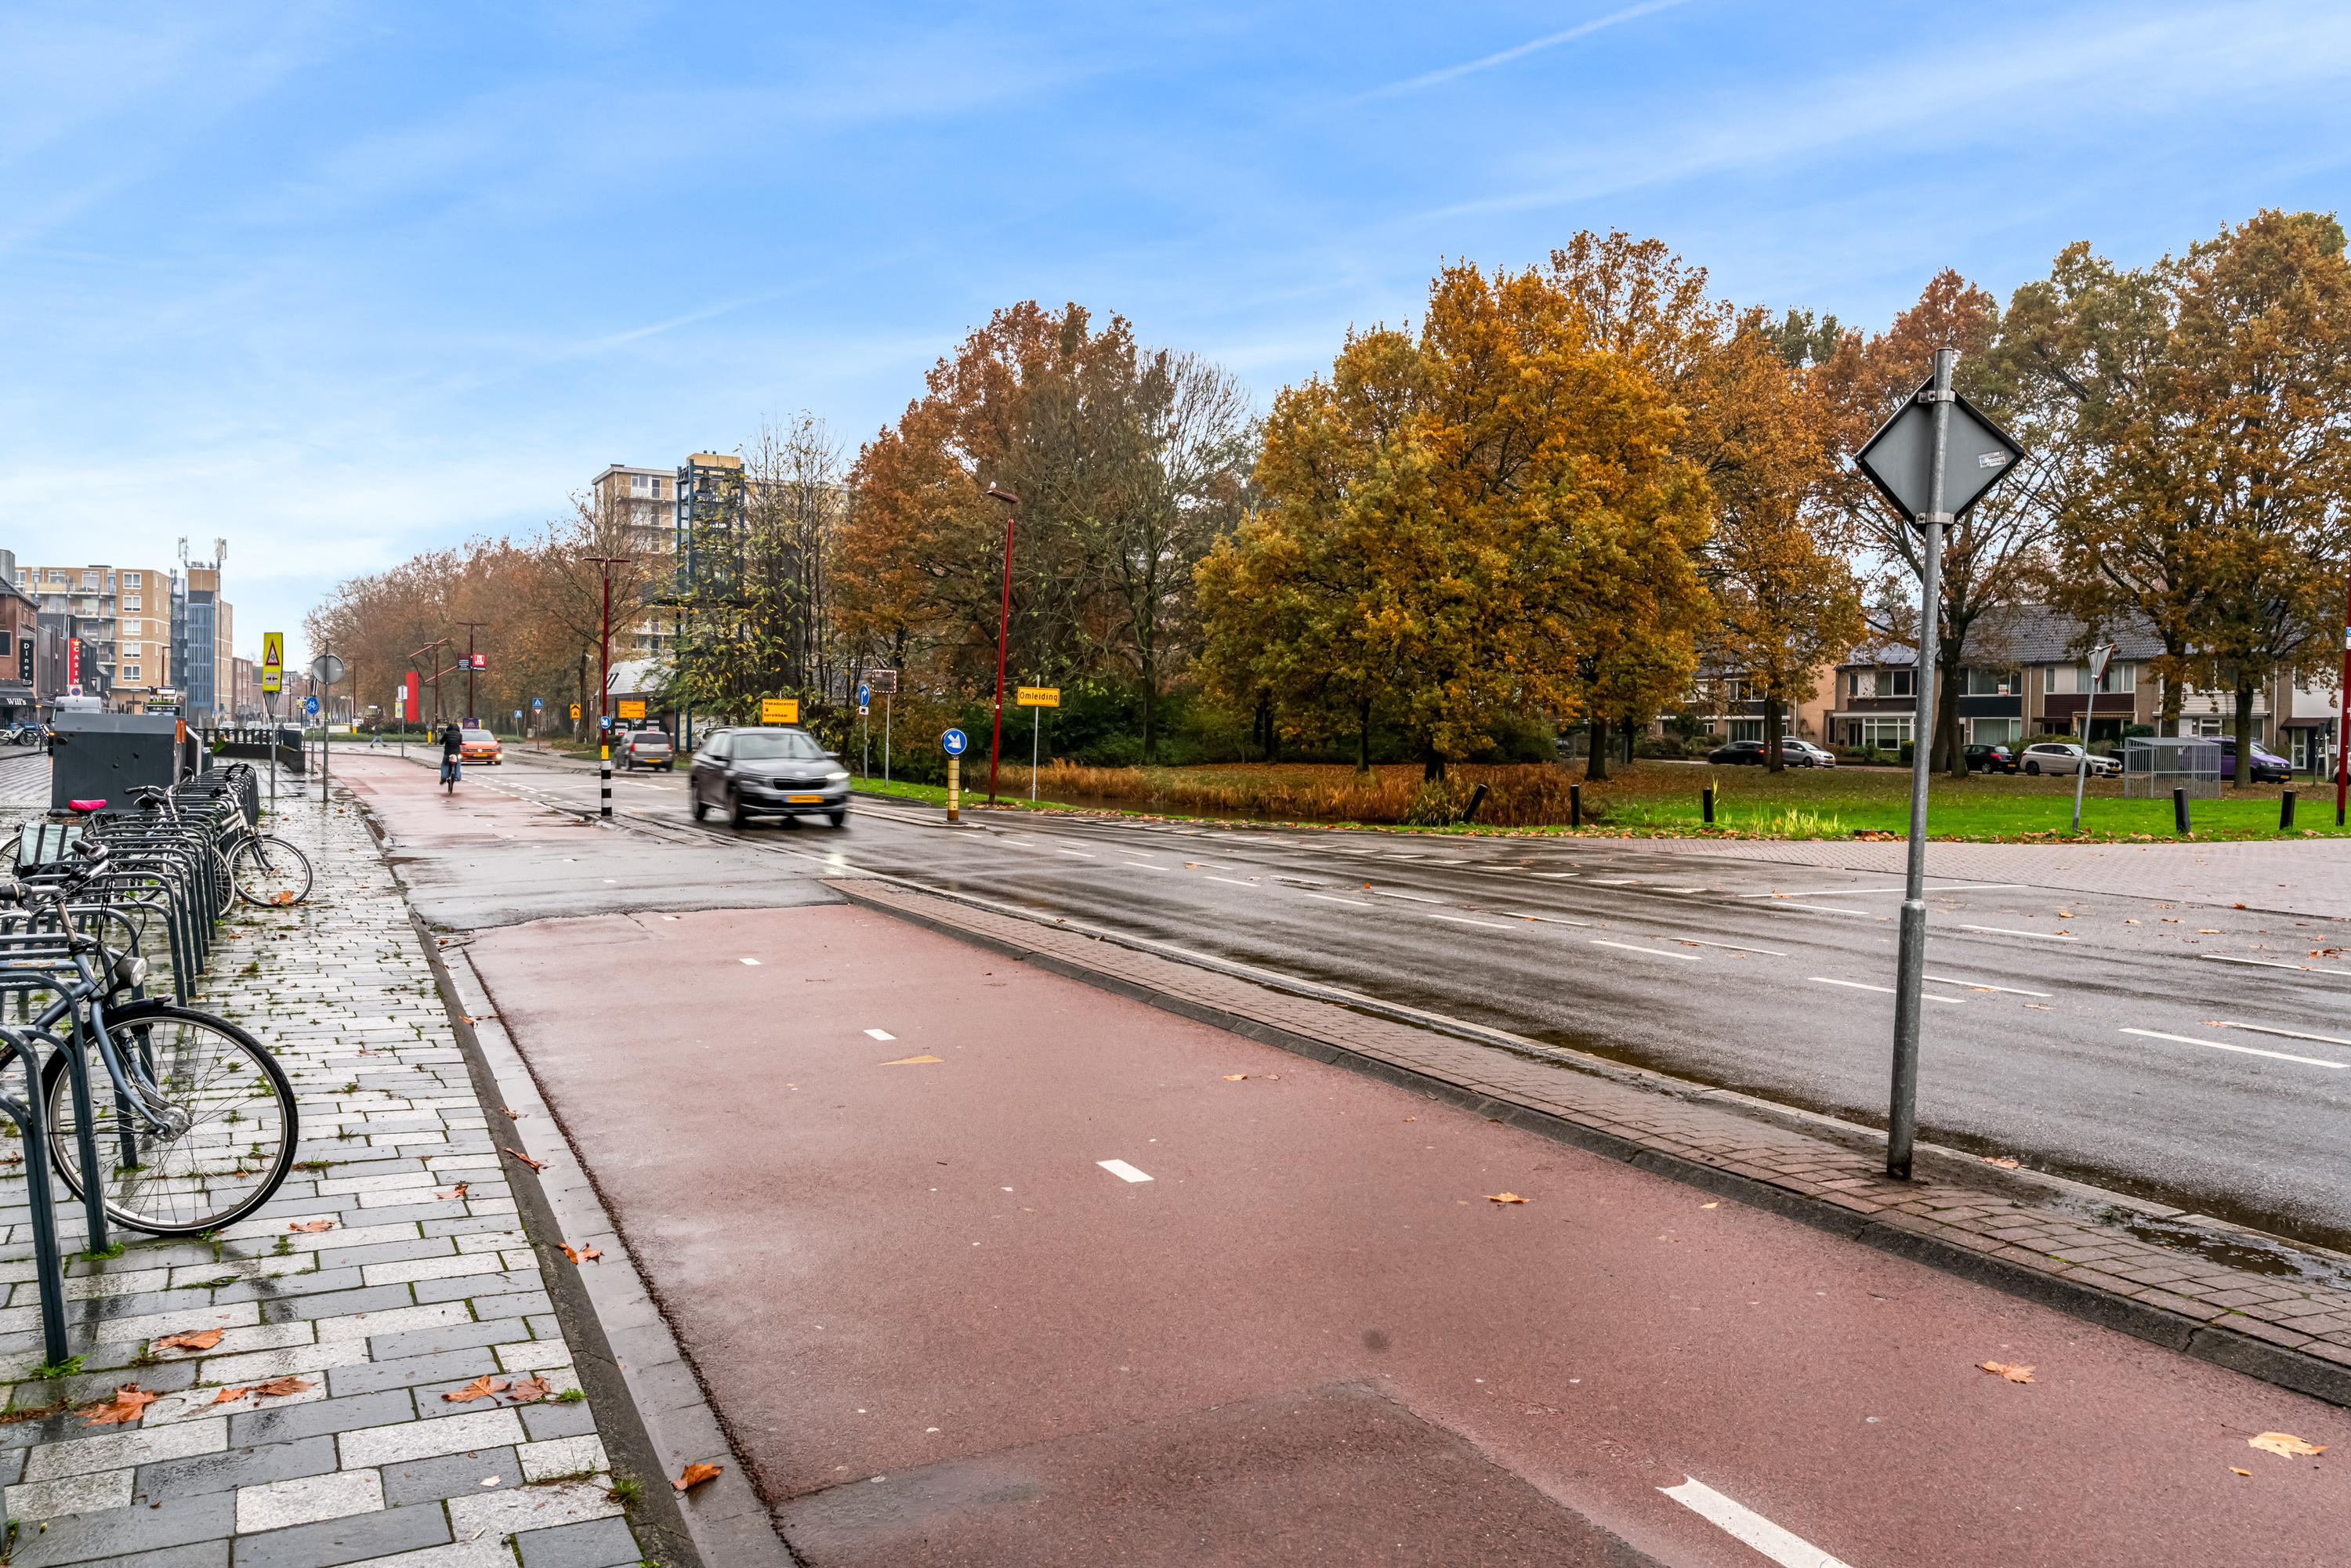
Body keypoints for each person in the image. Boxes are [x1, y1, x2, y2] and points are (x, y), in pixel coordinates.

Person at [439, 721, 462, 793]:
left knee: (444, 764)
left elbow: (441, 741)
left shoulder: (446, 734)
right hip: (456, 753)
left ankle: (443, 777)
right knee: (458, 763)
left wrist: (441, 742)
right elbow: (460, 742)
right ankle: (457, 777)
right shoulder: (459, 734)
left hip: (447, 753)